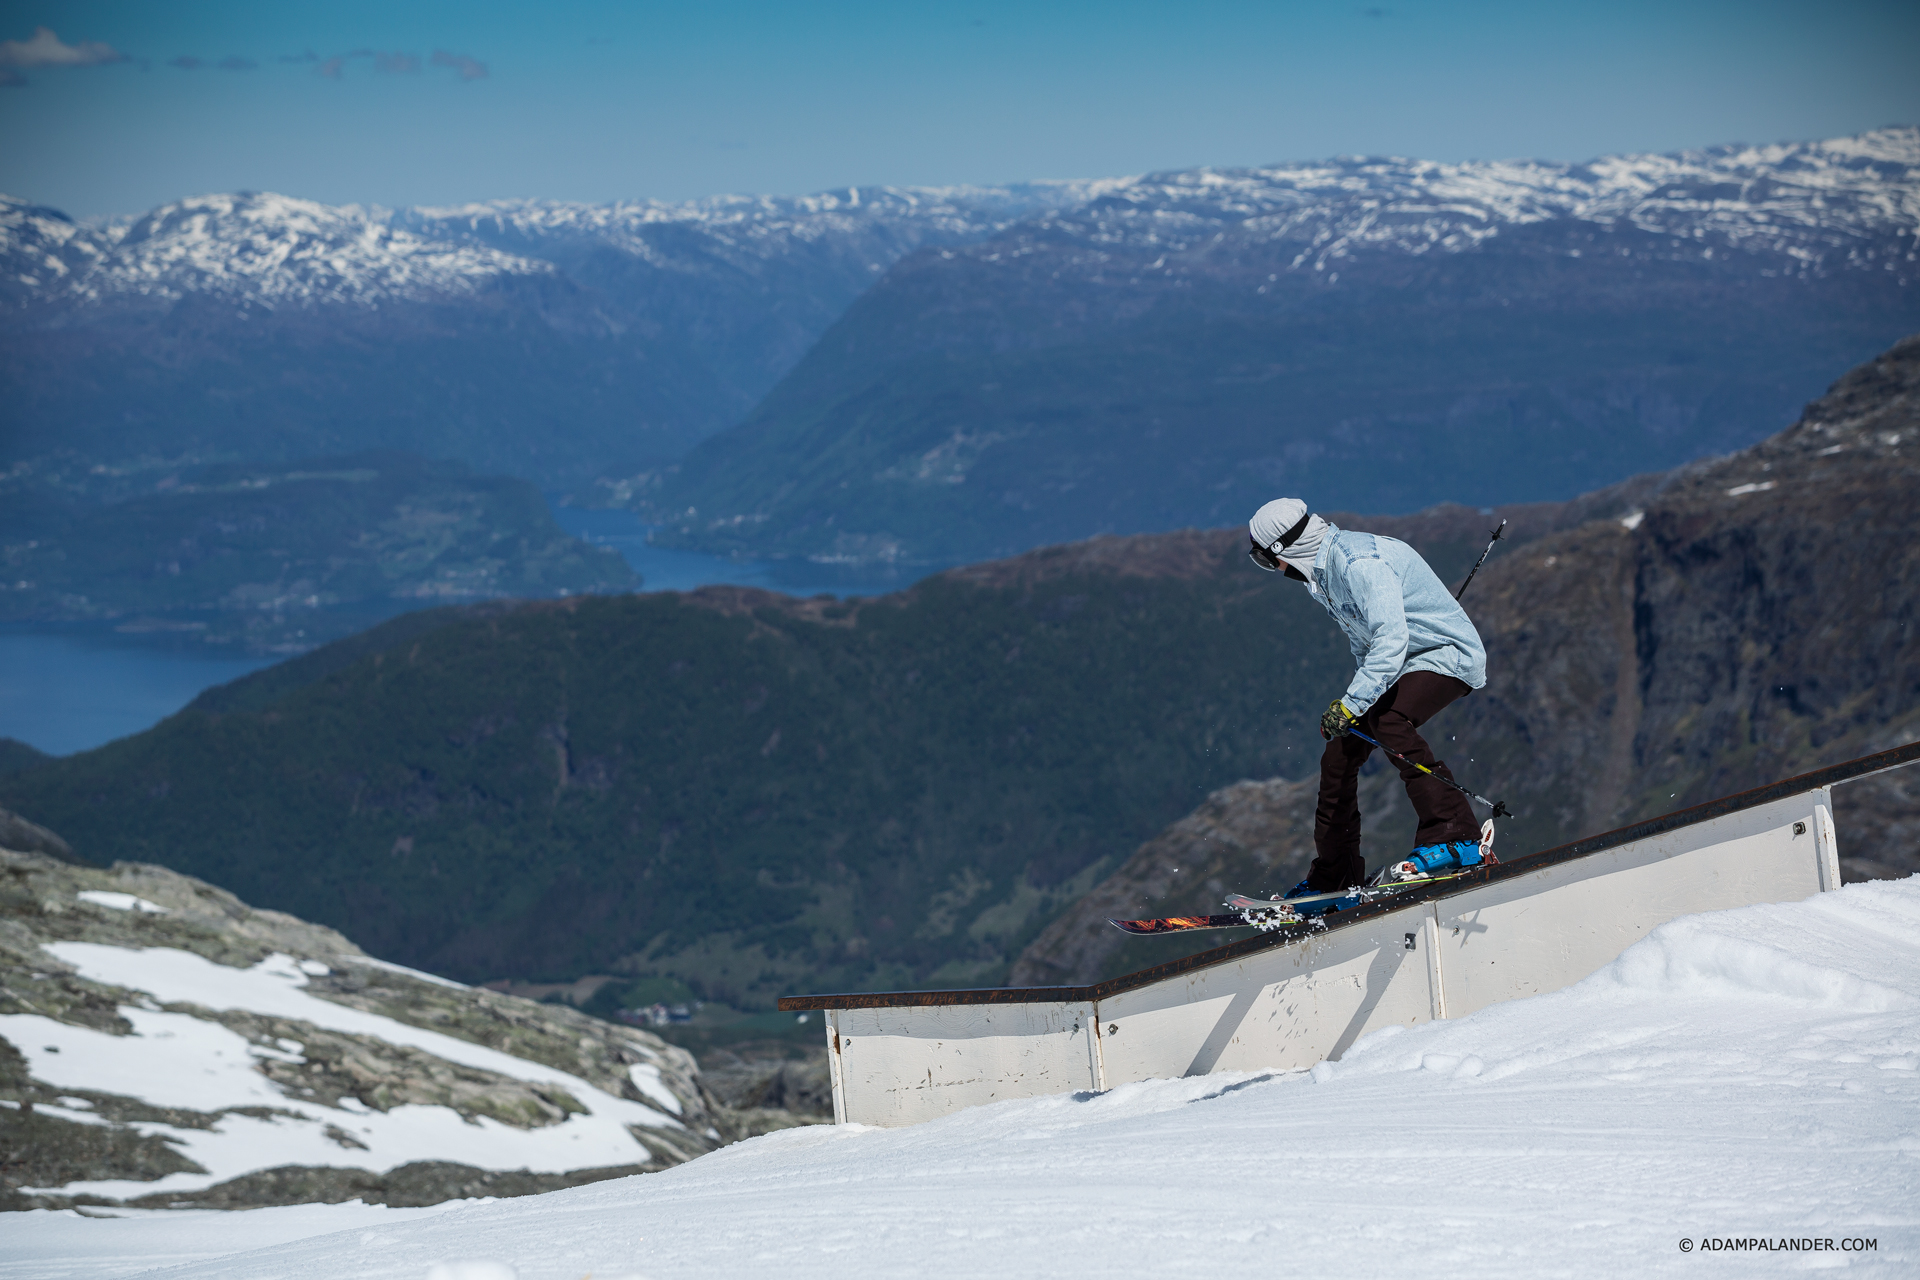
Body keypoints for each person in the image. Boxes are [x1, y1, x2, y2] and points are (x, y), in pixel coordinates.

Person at [1247, 498, 1488, 911]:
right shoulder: (1324, 576)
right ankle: (1334, 874)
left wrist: (1354, 702)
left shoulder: (1359, 564)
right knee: (1340, 753)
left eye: (1267, 561)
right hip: (1406, 664)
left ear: (1285, 549)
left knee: (1390, 719)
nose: (1276, 571)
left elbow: (1390, 640)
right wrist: (1353, 706)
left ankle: (1456, 837)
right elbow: (1366, 643)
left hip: (1448, 656)